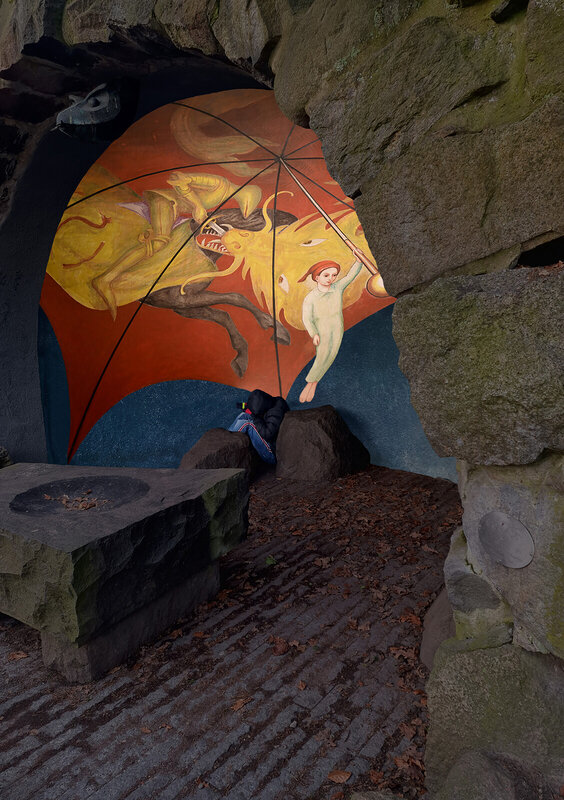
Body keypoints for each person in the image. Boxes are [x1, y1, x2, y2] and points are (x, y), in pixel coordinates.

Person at [299, 250, 363, 403]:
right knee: (322, 357)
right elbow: (307, 318)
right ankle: (310, 385)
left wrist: (359, 261)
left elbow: (350, 276)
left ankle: (314, 383)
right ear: (317, 277)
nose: (331, 279)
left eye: (334, 275)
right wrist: (314, 333)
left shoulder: (337, 288)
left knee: (331, 356)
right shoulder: (311, 298)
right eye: (326, 275)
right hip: (322, 332)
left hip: (337, 329)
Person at [228, 389, 289, 464]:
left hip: (272, 454)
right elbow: (259, 404)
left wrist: (254, 416)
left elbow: (267, 434)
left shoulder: (276, 414)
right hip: (269, 441)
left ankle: (228, 443)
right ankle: (228, 436)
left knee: (248, 424)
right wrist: (247, 407)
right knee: (245, 415)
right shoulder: (273, 401)